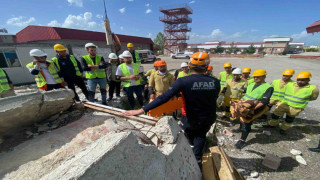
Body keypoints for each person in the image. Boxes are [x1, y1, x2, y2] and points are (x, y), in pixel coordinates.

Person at [121, 52, 220, 165]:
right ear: (207, 66)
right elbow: (213, 98)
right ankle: (197, 158)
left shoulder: (183, 81)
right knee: (201, 135)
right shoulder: (215, 82)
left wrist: (141, 110)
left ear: (190, 65)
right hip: (208, 117)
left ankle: (190, 156)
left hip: (190, 118)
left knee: (190, 135)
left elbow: (163, 98)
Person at [233, 69, 273, 149]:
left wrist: (252, 109)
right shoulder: (252, 84)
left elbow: (265, 101)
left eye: (258, 77)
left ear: (264, 77)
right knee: (241, 118)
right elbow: (247, 91)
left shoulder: (268, 87)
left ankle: (242, 140)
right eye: (255, 77)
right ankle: (240, 128)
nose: (255, 78)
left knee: (247, 122)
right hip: (244, 106)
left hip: (254, 108)